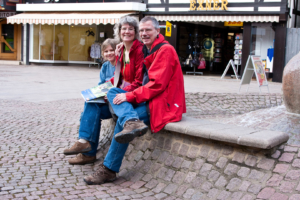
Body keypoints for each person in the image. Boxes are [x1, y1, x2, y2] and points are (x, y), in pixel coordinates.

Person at [83, 16, 186, 185]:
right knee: (112, 93)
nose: (144, 34)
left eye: (148, 30)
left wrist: (129, 96)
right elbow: (128, 76)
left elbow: (155, 85)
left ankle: (109, 169)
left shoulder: (165, 50)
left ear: (157, 31)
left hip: (162, 104)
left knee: (122, 120)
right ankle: (88, 142)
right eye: (142, 31)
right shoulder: (150, 48)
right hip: (151, 100)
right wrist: (120, 54)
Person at [64, 15, 144, 165]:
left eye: (131, 29)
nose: (127, 31)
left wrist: (111, 91)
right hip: (115, 98)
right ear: (119, 32)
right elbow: (117, 79)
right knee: (91, 104)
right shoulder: (122, 52)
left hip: (126, 101)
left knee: (91, 109)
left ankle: (87, 149)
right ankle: (85, 144)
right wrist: (100, 91)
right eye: (124, 29)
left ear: (136, 31)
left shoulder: (137, 51)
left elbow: (136, 82)